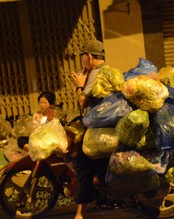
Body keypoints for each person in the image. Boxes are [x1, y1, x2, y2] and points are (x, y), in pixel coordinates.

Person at [70, 39, 109, 219]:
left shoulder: (96, 73)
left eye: (83, 57)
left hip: (96, 130)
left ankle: (80, 214)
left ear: (90, 57)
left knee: (84, 168)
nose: (82, 61)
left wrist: (79, 85)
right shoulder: (106, 71)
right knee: (100, 168)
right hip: (103, 127)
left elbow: (83, 102)